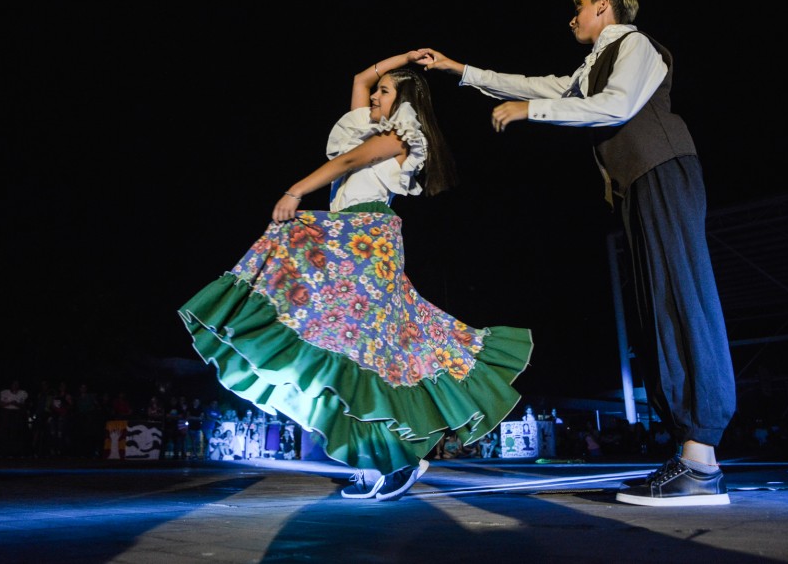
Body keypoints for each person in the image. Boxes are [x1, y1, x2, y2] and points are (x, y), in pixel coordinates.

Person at [423, 0, 736, 506]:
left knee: (681, 300)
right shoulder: (593, 64)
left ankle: (702, 460)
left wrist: (531, 113)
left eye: (581, 6)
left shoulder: (634, 44)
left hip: (663, 170)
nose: (573, 16)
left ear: (606, 9)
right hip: (639, 181)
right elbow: (534, 84)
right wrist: (459, 69)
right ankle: (690, 452)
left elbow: (616, 105)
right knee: (657, 307)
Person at [178, 50, 534, 502]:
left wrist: (296, 190)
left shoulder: (401, 137)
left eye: (386, 92)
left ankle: (400, 460)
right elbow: (360, 76)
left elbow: (348, 164)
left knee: (370, 350)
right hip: (348, 241)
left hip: (365, 241)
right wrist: (404, 57)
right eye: (378, 91)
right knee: (356, 348)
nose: (374, 97)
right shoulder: (364, 126)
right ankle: (384, 454)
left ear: (403, 100)